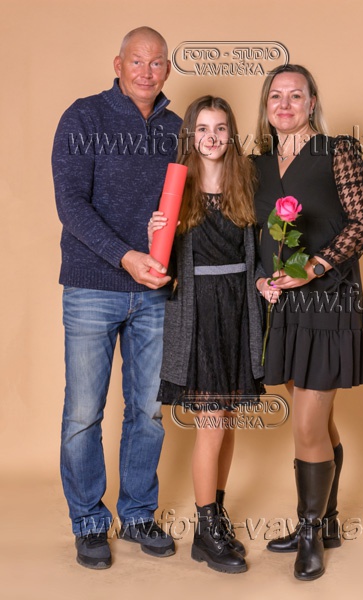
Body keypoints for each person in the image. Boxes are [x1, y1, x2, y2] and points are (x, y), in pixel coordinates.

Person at [52, 26, 182, 569]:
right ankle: (88, 522)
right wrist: (125, 256)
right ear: (118, 64)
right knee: (84, 411)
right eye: (137, 61)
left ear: (167, 69)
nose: (147, 72)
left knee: (148, 411)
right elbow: (71, 205)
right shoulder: (84, 117)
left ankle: (138, 514)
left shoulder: (178, 129)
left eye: (157, 63)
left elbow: (188, 208)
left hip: (155, 292)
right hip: (92, 286)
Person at [253, 64, 363, 580]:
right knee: (318, 422)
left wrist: (315, 267)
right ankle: (326, 522)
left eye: (295, 95)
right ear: (266, 106)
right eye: (276, 96)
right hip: (282, 308)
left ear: (311, 102)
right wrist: (261, 279)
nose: (285, 105)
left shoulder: (337, 151)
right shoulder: (257, 164)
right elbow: (252, 235)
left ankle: (309, 536)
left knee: (305, 424)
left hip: (328, 301)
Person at [149, 96, 267, 574]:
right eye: (202, 128)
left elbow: (259, 252)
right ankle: (204, 529)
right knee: (212, 422)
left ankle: (215, 515)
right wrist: (156, 230)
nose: (212, 137)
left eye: (220, 128)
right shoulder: (178, 186)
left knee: (228, 420)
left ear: (231, 134)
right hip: (198, 313)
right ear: (190, 136)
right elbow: (161, 262)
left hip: (238, 310)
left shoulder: (247, 182)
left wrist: (265, 281)